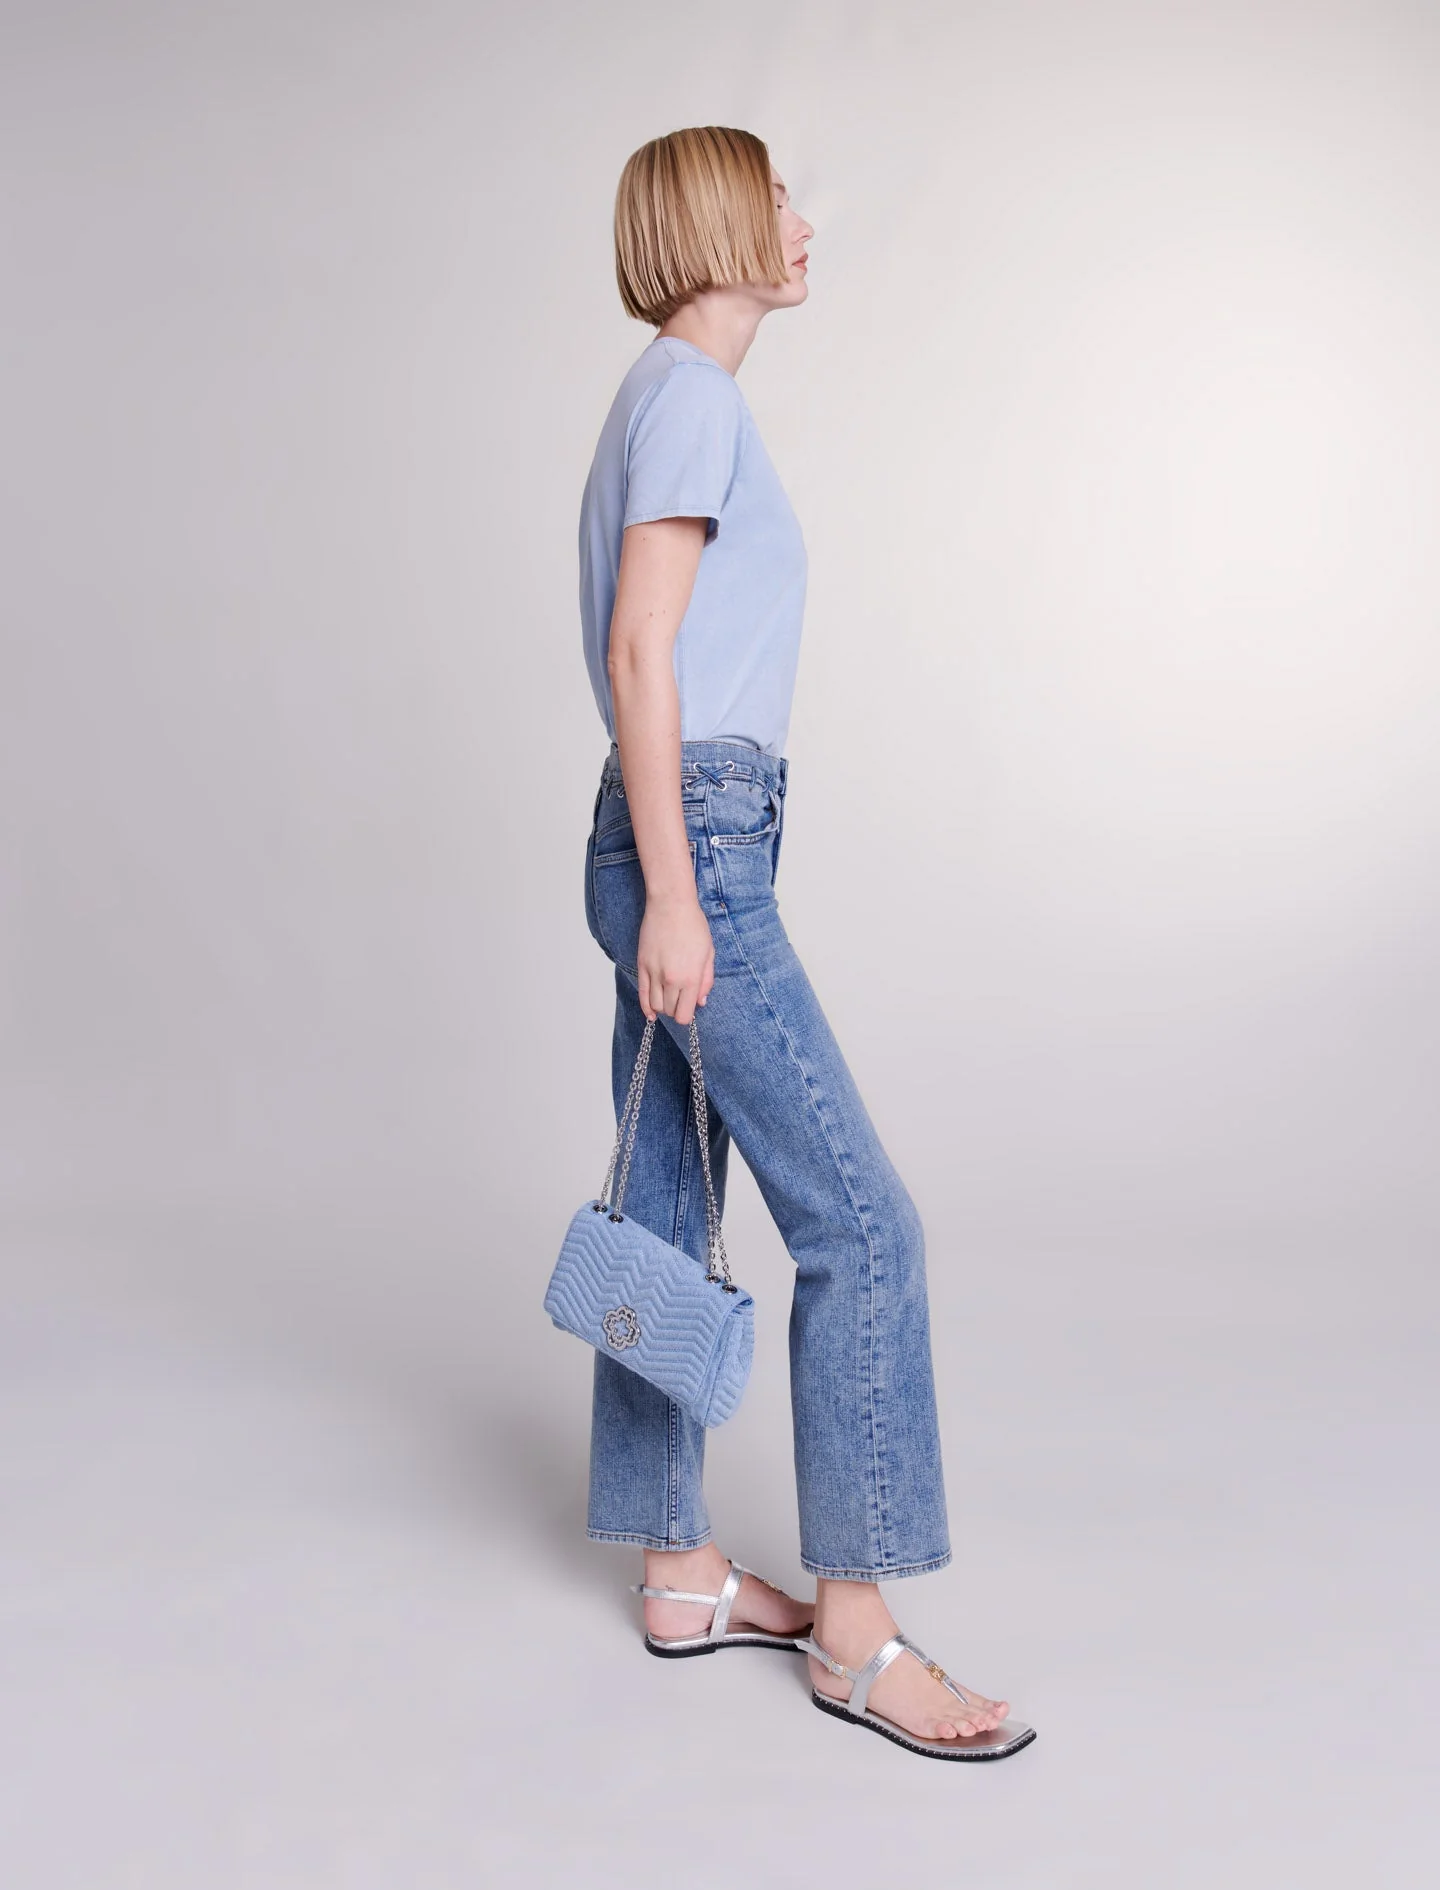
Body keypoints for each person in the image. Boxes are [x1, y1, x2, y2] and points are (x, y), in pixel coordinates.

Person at [575, 125, 1033, 1760]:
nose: (801, 220)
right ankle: (855, 1631)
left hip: (666, 827)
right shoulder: (695, 398)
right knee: (862, 1224)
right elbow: (644, 651)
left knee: (665, 1211)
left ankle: (679, 1568)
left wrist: (663, 872)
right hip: (691, 835)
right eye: (776, 196)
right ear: (716, 221)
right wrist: (682, 892)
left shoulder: (658, 395)